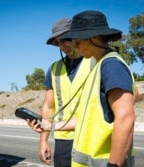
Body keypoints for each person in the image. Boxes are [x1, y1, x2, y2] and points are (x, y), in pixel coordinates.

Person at [41, 10, 136, 167]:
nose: (74, 45)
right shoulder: (98, 66)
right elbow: (88, 118)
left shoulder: (111, 65)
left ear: (95, 37)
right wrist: (49, 127)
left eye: (77, 40)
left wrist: (114, 164)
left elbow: (126, 118)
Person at [27, 18, 94, 167]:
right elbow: (49, 107)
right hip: (63, 140)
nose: (62, 45)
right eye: (58, 42)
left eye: (66, 39)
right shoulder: (54, 69)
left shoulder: (96, 62)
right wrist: (43, 140)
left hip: (91, 137)